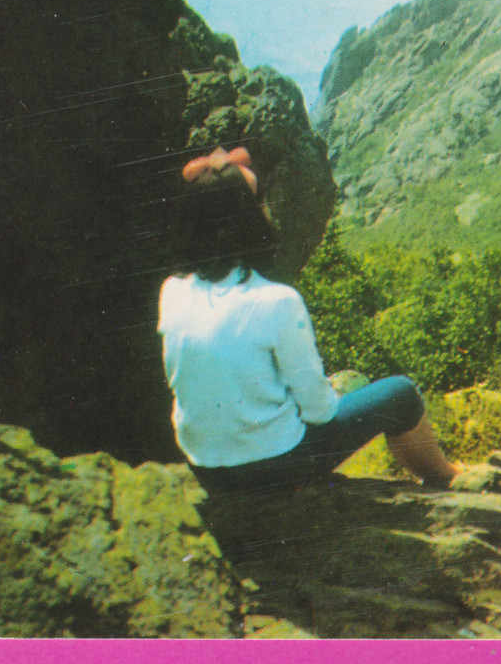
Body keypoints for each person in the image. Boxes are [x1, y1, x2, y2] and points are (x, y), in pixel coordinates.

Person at [159, 146, 460, 496]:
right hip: (276, 467)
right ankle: (444, 477)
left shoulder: (173, 291)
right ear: (251, 220)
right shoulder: (276, 300)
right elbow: (319, 411)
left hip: (207, 469)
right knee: (400, 394)